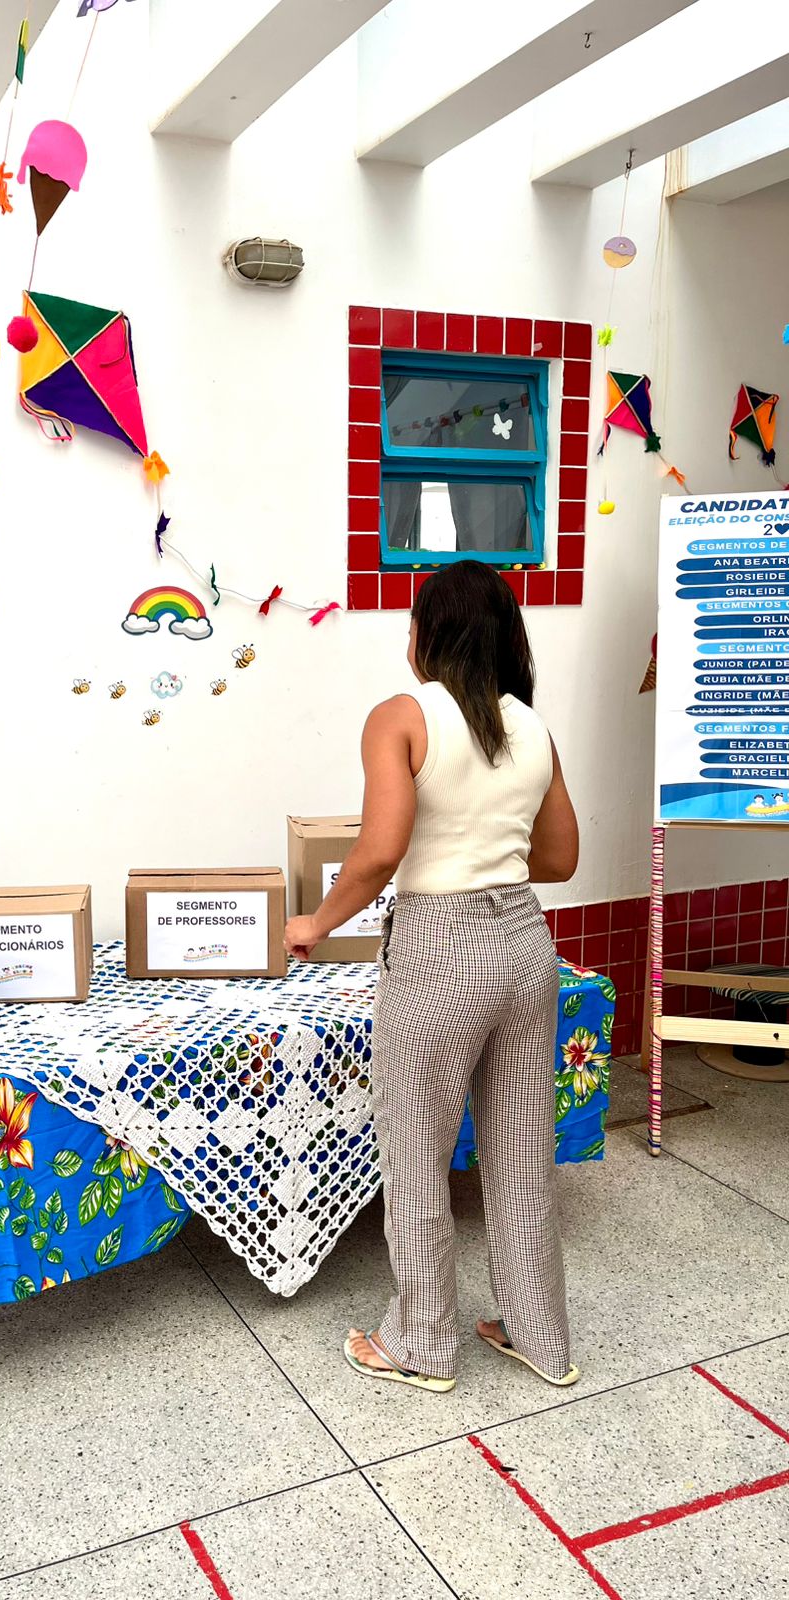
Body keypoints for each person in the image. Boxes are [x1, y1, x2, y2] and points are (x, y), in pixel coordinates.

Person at [283, 561, 580, 1393]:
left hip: (441, 951)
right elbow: (560, 858)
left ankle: (420, 1343)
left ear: (427, 635)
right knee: (522, 1154)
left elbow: (380, 850)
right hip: (526, 946)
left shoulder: (402, 716)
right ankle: (538, 1335)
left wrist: (315, 922)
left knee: (415, 1152)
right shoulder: (533, 727)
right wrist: (487, 849)